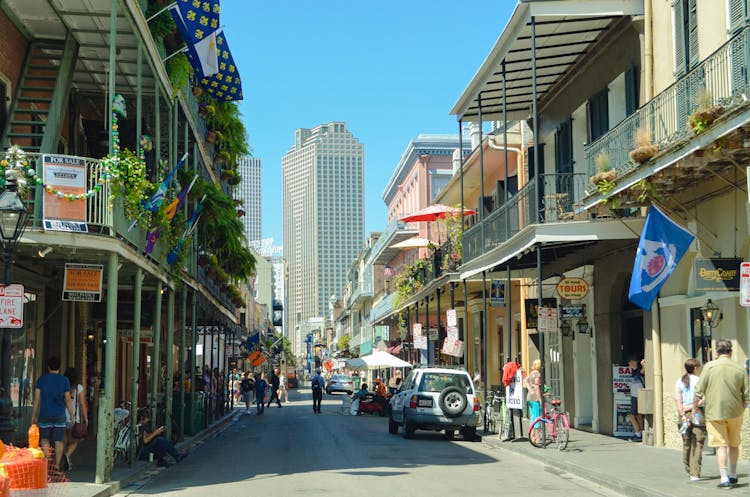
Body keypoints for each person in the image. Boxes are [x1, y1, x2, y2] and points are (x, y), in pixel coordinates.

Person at [695, 339, 749, 489]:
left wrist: (695, 408)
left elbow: (698, 391)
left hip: (715, 412)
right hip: (735, 411)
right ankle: (733, 474)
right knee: (734, 444)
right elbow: (747, 394)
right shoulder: (739, 369)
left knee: (721, 445)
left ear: (716, 352)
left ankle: (724, 477)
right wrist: (741, 408)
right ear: (730, 352)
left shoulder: (709, 367)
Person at [32, 357, 74, 469]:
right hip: (59, 414)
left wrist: (34, 415)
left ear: (48, 367)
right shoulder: (65, 380)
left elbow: (36, 399)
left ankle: (48, 461)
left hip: (44, 414)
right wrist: (72, 414)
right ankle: (56, 465)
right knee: (58, 440)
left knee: (44, 439)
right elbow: (68, 399)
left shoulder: (41, 380)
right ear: (59, 367)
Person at [674, 358, 705, 482]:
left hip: (684, 415)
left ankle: (688, 468)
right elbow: (704, 398)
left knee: (686, 443)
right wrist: (694, 407)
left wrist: (682, 413)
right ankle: (695, 472)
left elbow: (677, 399)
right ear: (696, 368)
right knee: (698, 443)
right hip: (698, 413)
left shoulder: (679, 381)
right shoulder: (700, 381)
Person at [62, 367, 88, 471]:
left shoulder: (63, 386)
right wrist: (85, 417)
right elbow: (82, 404)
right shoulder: (79, 388)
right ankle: (67, 455)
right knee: (76, 440)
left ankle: (61, 459)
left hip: (62, 416)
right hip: (73, 418)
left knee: (63, 440)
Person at [501, 356, 523, 441]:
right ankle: (511, 433)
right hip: (511, 393)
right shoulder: (510, 368)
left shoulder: (511, 368)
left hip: (514, 394)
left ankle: (513, 433)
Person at [627, 357, 646, 442]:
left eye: (631, 361)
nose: (629, 363)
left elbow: (643, 372)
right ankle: (641, 434)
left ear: (635, 362)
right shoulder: (633, 371)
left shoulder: (638, 370)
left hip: (637, 396)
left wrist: (643, 365)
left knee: (631, 416)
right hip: (635, 395)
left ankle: (638, 434)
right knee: (638, 415)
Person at [525, 359, 542, 444]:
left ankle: (531, 436)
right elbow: (537, 387)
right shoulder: (537, 374)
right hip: (535, 398)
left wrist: (529, 390)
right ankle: (537, 438)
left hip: (529, 397)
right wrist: (540, 398)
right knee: (537, 418)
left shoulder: (531, 373)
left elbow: (526, 381)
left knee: (532, 417)